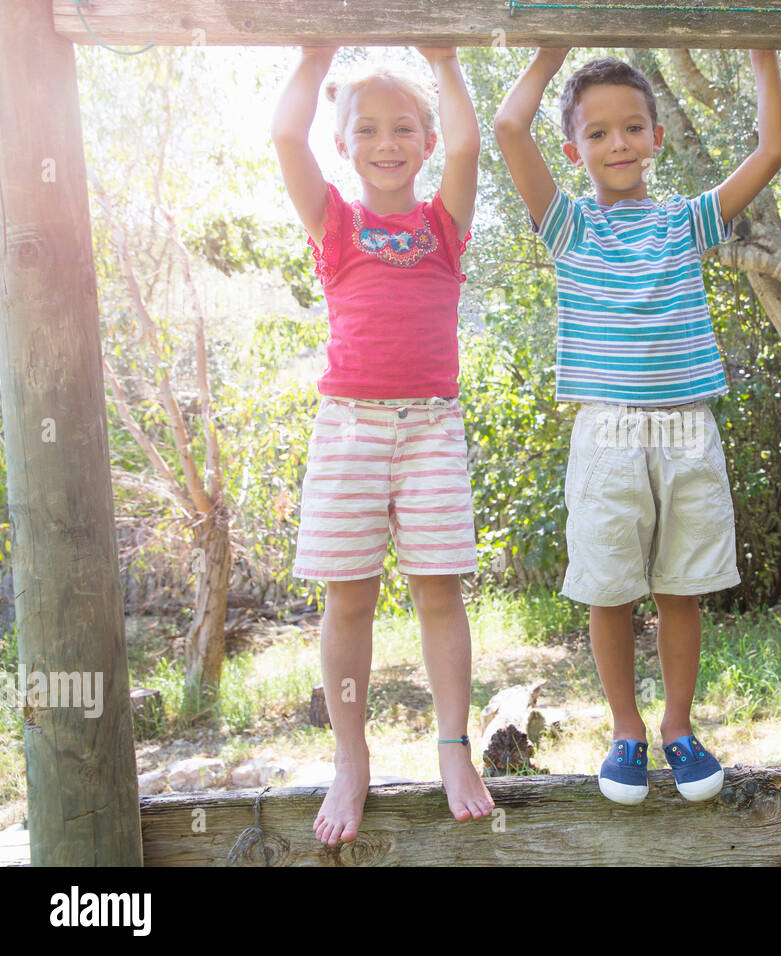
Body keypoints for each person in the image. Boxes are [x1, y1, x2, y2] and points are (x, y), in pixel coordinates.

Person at [493, 50, 781, 804]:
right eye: (598, 133)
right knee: (610, 590)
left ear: (657, 137)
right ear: (575, 151)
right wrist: (549, 51)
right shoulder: (568, 226)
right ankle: (625, 731)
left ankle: (679, 728)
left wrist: (758, 59)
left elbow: (775, 151)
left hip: (686, 427)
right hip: (608, 432)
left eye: (632, 128)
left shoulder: (686, 222)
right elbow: (506, 126)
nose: (618, 144)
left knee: (682, 589)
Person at [272, 45, 494, 843]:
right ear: (345, 144)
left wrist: (445, 61)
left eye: (405, 128)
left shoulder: (442, 227)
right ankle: (350, 756)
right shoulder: (337, 224)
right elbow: (285, 139)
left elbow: (471, 144)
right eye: (367, 129)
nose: (387, 141)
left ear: (426, 144)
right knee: (350, 598)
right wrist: (316, 54)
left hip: (432, 428)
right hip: (350, 432)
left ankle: (453, 747)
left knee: (440, 591)